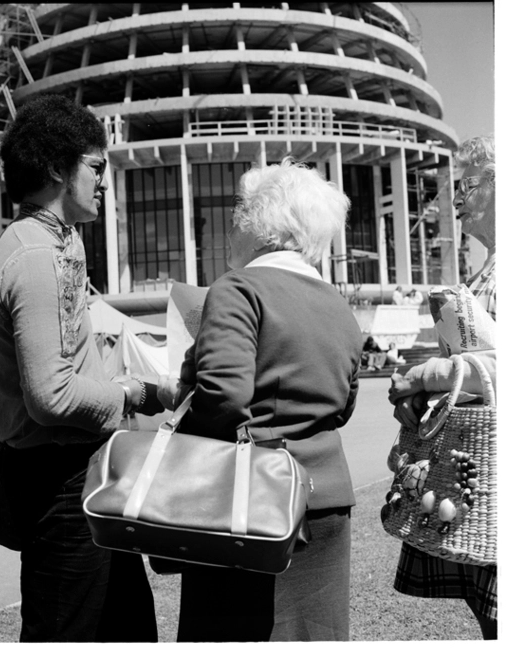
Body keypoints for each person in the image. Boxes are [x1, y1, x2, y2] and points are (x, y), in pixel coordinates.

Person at [0, 94, 161, 642]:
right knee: (65, 636)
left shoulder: (59, 241)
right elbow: (51, 396)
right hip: (58, 484)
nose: (104, 181)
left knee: (129, 630)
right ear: (58, 168)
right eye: (96, 167)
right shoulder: (35, 258)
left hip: (83, 474)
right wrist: (131, 392)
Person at [158, 158, 363, 642]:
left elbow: (224, 395)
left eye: (238, 215)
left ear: (258, 222)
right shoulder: (338, 304)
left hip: (249, 501)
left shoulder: (238, 287)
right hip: (327, 496)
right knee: (313, 638)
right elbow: (344, 404)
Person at [388, 135, 496, 639]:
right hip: (478, 472)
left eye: (467, 186)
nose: (455, 200)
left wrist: (424, 377)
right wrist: (421, 393)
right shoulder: (485, 273)